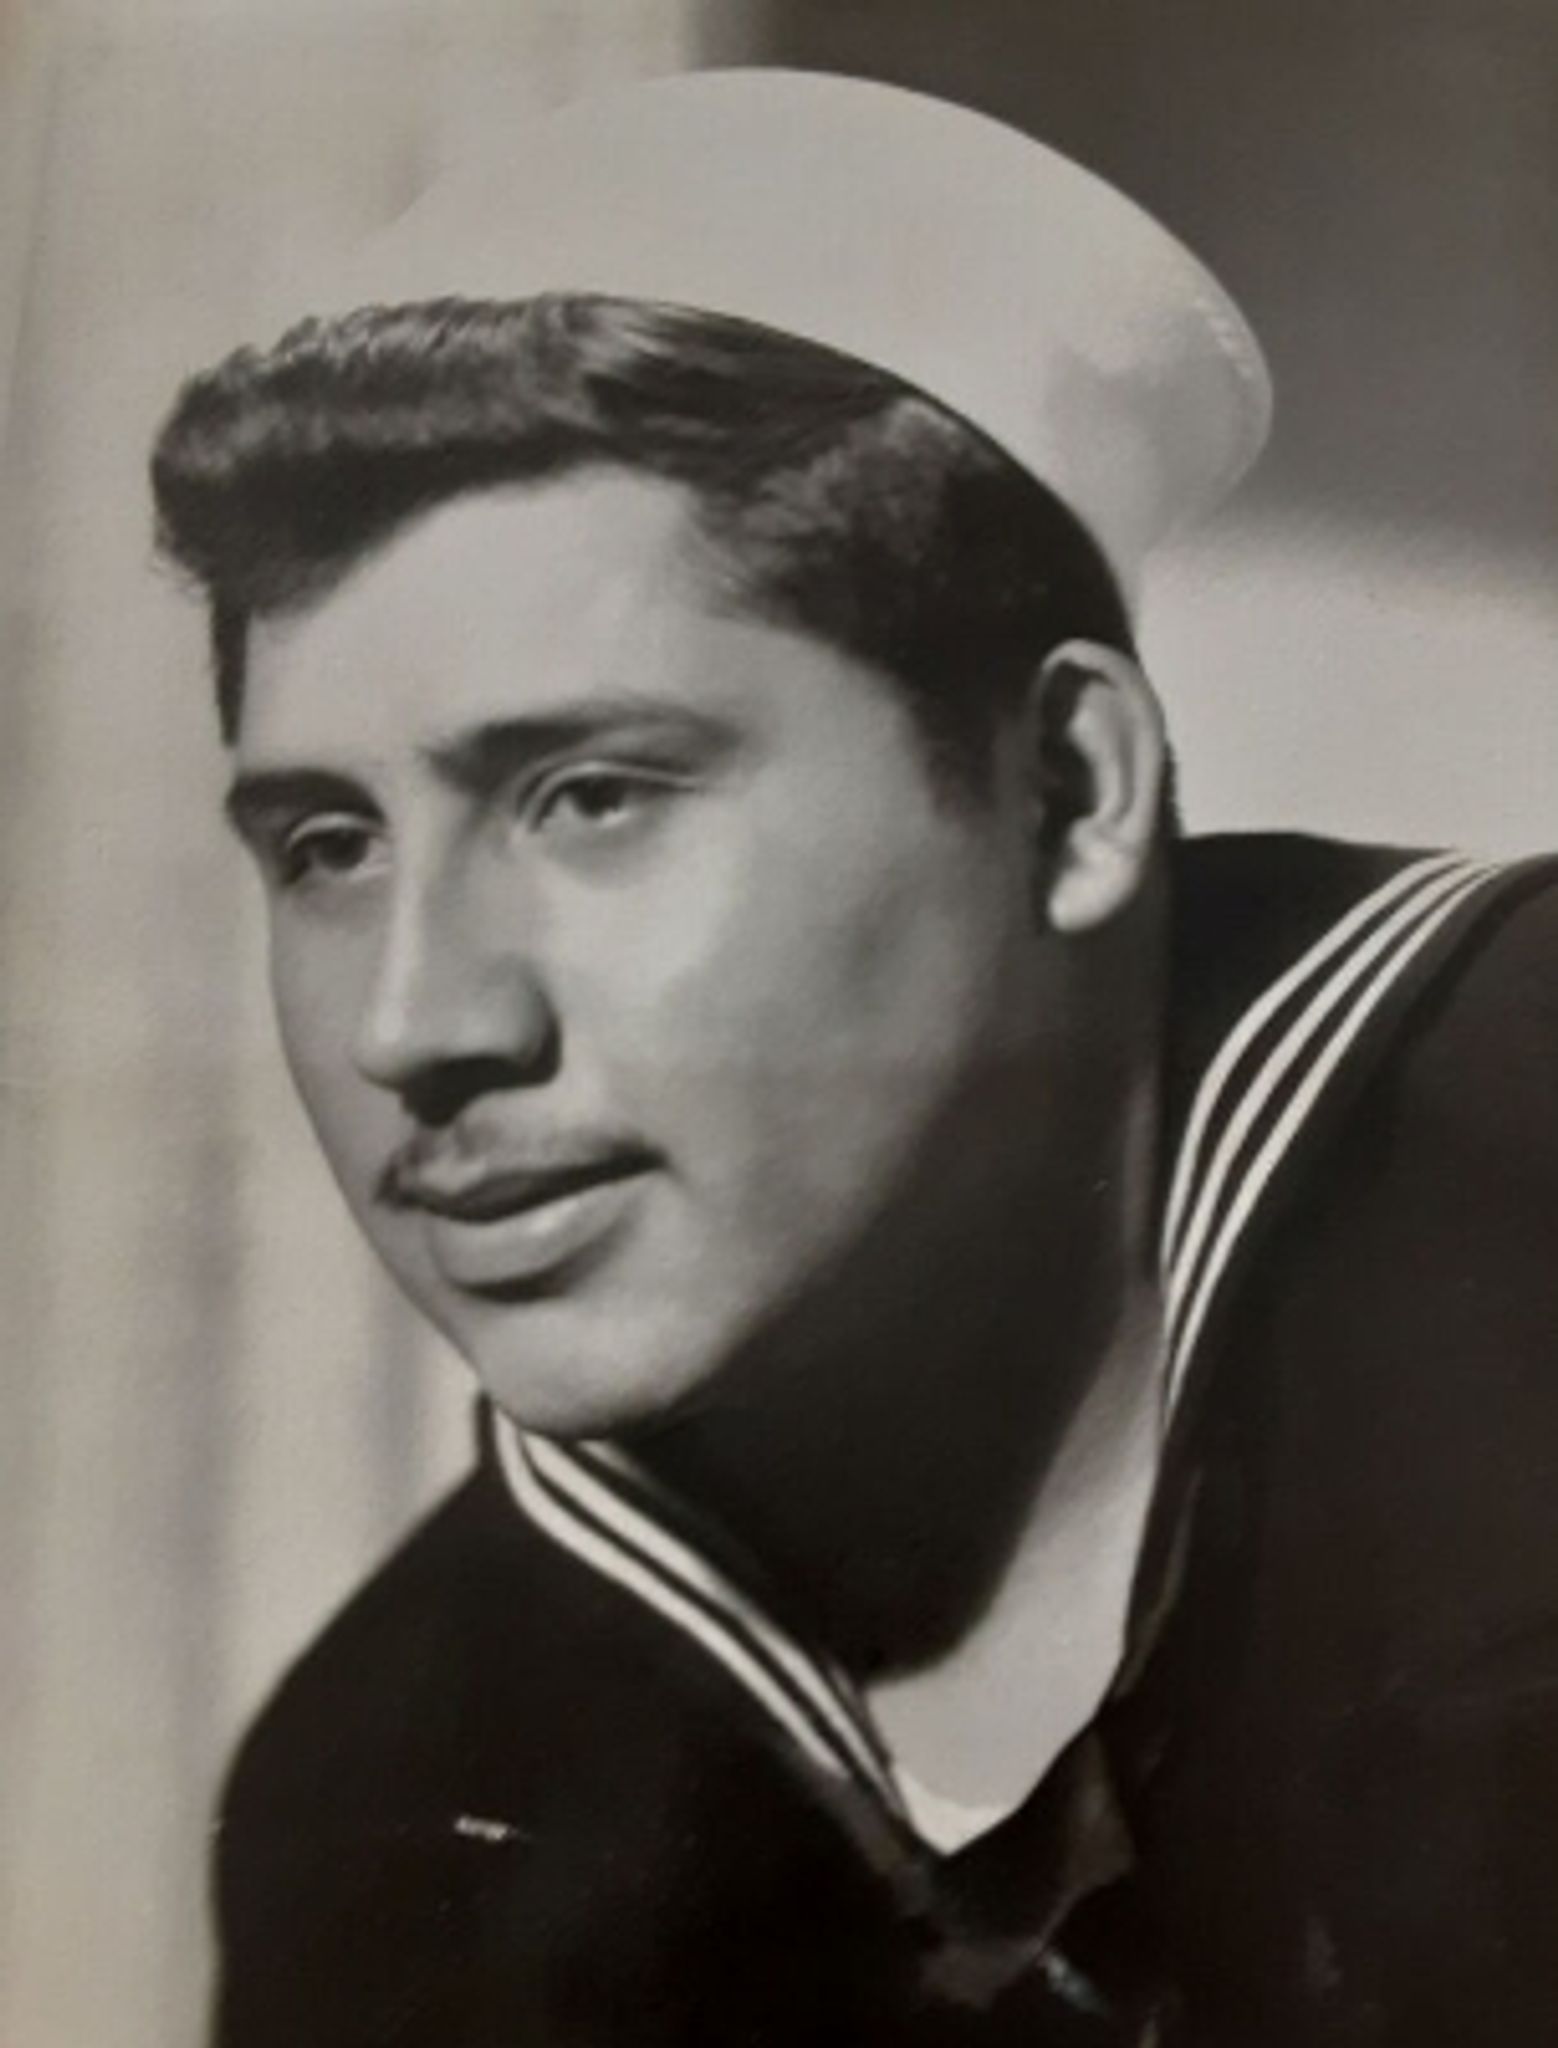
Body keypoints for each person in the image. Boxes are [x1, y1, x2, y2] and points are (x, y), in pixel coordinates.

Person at [149, 70, 1558, 2048]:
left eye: (590, 794)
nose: (415, 1024)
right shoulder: (383, 1811)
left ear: (1067, 790)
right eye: (324, 845)